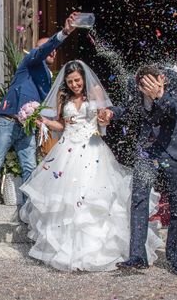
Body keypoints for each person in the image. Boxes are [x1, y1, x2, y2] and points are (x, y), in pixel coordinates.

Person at [19, 60, 161, 271]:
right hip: (66, 150)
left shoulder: (94, 92)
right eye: (70, 82)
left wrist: (104, 119)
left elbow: (105, 120)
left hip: (92, 148)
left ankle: (94, 253)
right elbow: (61, 125)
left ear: (83, 78)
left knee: (93, 200)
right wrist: (45, 122)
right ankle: (68, 254)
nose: (75, 85)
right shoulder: (62, 97)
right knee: (66, 202)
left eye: (77, 80)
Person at [0, 12, 80, 224]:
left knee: (30, 168)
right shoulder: (30, 62)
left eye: (55, 50)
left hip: (27, 127)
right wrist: (64, 33)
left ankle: (27, 210)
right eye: (48, 48)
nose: (52, 51)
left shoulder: (50, 77)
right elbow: (44, 48)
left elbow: (47, 108)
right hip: (7, 121)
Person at [104, 64, 177, 275]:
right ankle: (137, 256)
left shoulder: (176, 87)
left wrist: (159, 96)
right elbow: (128, 109)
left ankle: (174, 258)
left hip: (176, 152)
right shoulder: (137, 89)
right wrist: (110, 113)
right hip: (148, 152)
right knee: (138, 200)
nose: (143, 88)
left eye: (148, 85)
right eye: (141, 85)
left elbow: (175, 110)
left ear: (161, 79)